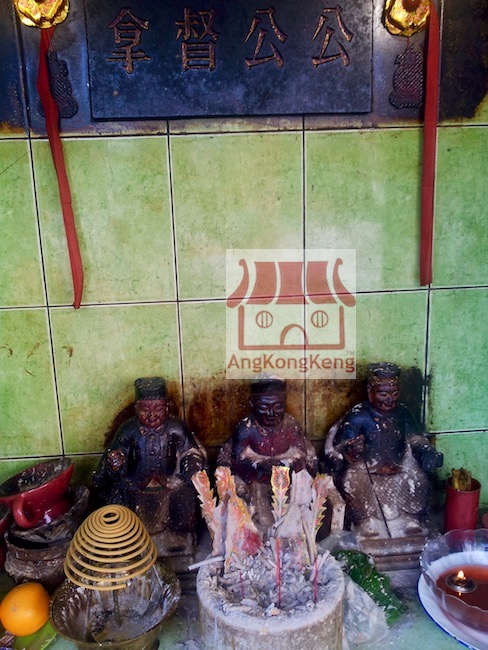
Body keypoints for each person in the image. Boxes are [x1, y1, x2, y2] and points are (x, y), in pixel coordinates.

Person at [324, 362, 443, 538]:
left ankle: (410, 519)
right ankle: (365, 521)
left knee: (418, 479)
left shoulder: (402, 413)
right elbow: (340, 446)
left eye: (394, 394)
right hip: (366, 470)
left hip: (399, 466)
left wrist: (425, 450)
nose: (389, 399)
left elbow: (414, 438)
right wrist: (351, 449)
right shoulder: (358, 415)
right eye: (383, 394)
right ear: (370, 391)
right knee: (352, 480)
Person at [93, 377, 207, 540]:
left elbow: (189, 451)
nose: (152, 415)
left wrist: (190, 465)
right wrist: (117, 463)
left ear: (166, 407)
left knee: (185, 496)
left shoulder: (176, 427)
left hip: (169, 484)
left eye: (158, 409)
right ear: (136, 408)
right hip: (135, 484)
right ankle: (127, 537)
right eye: (145, 410)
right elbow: (115, 455)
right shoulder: (128, 429)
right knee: (117, 499)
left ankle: (179, 536)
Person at [218, 374, 317, 529]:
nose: (271, 413)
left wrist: (288, 464)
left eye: (278, 407)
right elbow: (238, 459)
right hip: (256, 481)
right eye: (264, 408)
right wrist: (259, 466)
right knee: (257, 508)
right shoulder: (246, 428)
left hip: (286, 479)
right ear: (252, 403)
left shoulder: (290, 424)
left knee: (298, 492)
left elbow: (302, 453)